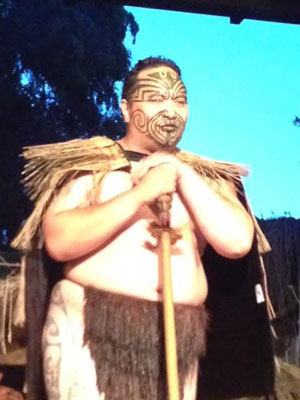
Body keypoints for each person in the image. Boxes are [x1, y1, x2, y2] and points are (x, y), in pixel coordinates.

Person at [12, 57, 275, 400]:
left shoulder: (208, 180)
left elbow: (238, 242)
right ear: (125, 108)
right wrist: (141, 194)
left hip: (180, 337)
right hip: (88, 329)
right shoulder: (90, 166)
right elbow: (59, 241)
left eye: (179, 101)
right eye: (155, 98)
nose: (170, 111)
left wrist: (180, 174)